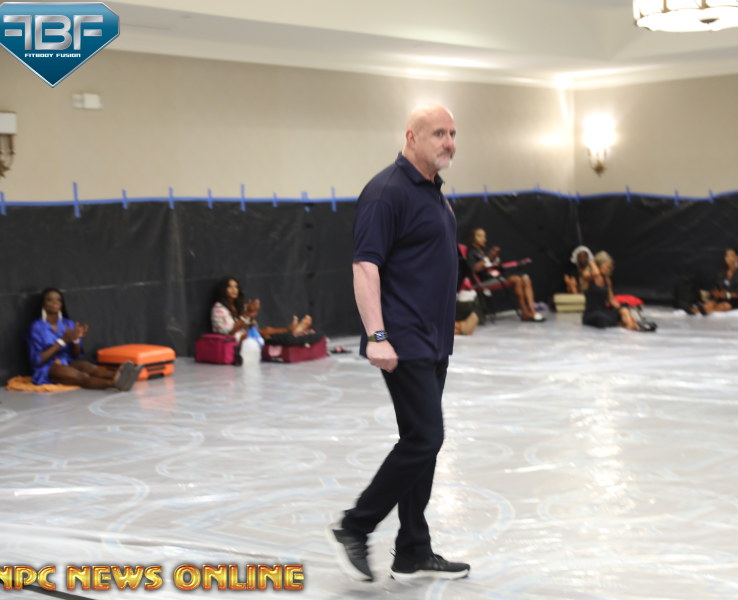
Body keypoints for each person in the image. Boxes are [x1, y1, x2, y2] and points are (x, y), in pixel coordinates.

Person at [326, 105, 470, 583]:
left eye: (452, 133)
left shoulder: (434, 193)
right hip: (403, 339)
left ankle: (412, 550)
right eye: (438, 133)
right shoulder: (386, 191)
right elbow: (365, 266)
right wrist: (377, 336)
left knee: (420, 442)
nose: (448, 142)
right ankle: (355, 526)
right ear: (411, 137)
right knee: (427, 437)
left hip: (434, 340)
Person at [27, 288, 141, 390]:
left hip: (66, 362)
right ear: (43, 304)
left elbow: (75, 355)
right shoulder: (36, 327)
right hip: (47, 368)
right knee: (81, 377)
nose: (55, 302)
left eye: (59, 300)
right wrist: (62, 341)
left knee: (89, 367)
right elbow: (37, 360)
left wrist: (76, 340)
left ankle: (122, 375)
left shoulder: (68, 324)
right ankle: (114, 383)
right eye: (50, 299)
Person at [466, 227, 544, 322]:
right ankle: (524, 313)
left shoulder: (485, 250)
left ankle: (532, 311)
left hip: (497, 275)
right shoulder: (471, 252)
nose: (483, 238)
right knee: (517, 280)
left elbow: (495, 266)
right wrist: (488, 257)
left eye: (484, 236)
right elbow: (474, 268)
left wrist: (495, 259)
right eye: (479, 236)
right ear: (473, 238)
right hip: (485, 280)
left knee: (525, 278)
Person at [210, 277, 313, 342]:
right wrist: (247, 315)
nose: (234, 290)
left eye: (236, 287)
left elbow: (251, 326)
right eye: (230, 287)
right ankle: (292, 333)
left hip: (242, 335)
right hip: (229, 339)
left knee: (266, 330)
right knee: (263, 334)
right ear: (223, 290)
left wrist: (252, 315)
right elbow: (230, 332)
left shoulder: (238, 305)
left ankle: (290, 330)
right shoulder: (218, 308)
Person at [581, 251, 654, 331]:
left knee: (624, 310)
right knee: (600, 318)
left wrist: (622, 309)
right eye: (607, 267)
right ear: (599, 264)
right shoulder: (587, 276)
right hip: (591, 313)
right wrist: (592, 262)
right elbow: (596, 273)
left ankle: (631, 326)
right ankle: (623, 324)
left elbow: (611, 300)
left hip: (603, 310)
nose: (608, 269)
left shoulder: (607, 280)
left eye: (609, 267)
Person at [693, 248, 738, 314]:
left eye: (731, 255)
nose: (728, 258)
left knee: (724, 306)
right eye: (727, 256)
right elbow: (718, 287)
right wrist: (715, 292)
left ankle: (702, 310)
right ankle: (695, 310)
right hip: (722, 298)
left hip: (737, 300)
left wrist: (727, 294)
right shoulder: (722, 274)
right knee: (711, 303)